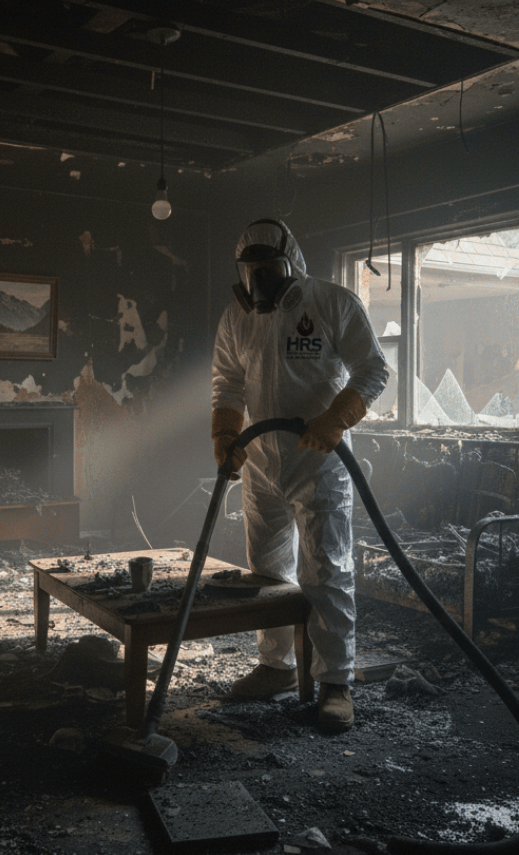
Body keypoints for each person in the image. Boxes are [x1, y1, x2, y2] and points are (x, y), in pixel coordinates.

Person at [211, 217, 388, 733]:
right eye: (250, 272)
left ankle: (335, 681)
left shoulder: (332, 303)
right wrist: (225, 434)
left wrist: (335, 419)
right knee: (266, 571)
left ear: (292, 265)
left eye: (269, 269)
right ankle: (277, 666)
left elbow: (373, 369)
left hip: (319, 459)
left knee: (325, 571)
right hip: (261, 460)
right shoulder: (237, 317)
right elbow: (227, 382)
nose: (259, 282)